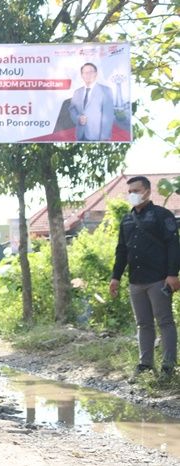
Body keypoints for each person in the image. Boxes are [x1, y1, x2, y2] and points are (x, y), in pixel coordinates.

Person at [109, 176, 179, 379]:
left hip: (159, 279)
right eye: (129, 191)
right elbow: (121, 250)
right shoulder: (127, 219)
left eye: (136, 190)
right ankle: (145, 364)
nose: (132, 195)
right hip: (135, 281)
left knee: (165, 322)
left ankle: (168, 366)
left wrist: (173, 274)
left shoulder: (162, 215)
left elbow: (174, 245)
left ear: (147, 191)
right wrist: (116, 277)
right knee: (143, 324)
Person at [68, 62, 114, 141]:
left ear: (95, 74)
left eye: (90, 72)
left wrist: (104, 139)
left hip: (98, 137)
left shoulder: (105, 90)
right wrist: (78, 118)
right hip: (80, 135)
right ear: (82, 75)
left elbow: (108, 116)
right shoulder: (77, 92)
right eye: (85, 72)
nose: (87, 75)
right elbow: (72, 109)